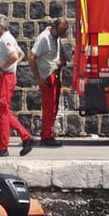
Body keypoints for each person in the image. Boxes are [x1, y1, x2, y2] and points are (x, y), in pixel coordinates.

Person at [0, 14, 33, 156]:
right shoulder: (7, 39)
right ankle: (25, 136)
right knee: (4, 110)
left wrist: (3, 69)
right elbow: (20, 54)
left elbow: (14, 56)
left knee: (2, 111)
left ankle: (2, 146)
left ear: (1, 26)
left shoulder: (6, 40)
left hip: (4, 79)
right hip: (4, 77)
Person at [29, 16, 70, 150]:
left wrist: (61, 62)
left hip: (54, 73)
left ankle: (49, 133)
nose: (61, 35)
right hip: (46, 76)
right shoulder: (44, 38)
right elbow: (32, 57)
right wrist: (38, 79)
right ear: (54, 27)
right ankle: (46, 136)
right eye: (60, 31)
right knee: (48, 107)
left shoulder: (55, 38)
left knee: (54, 107)